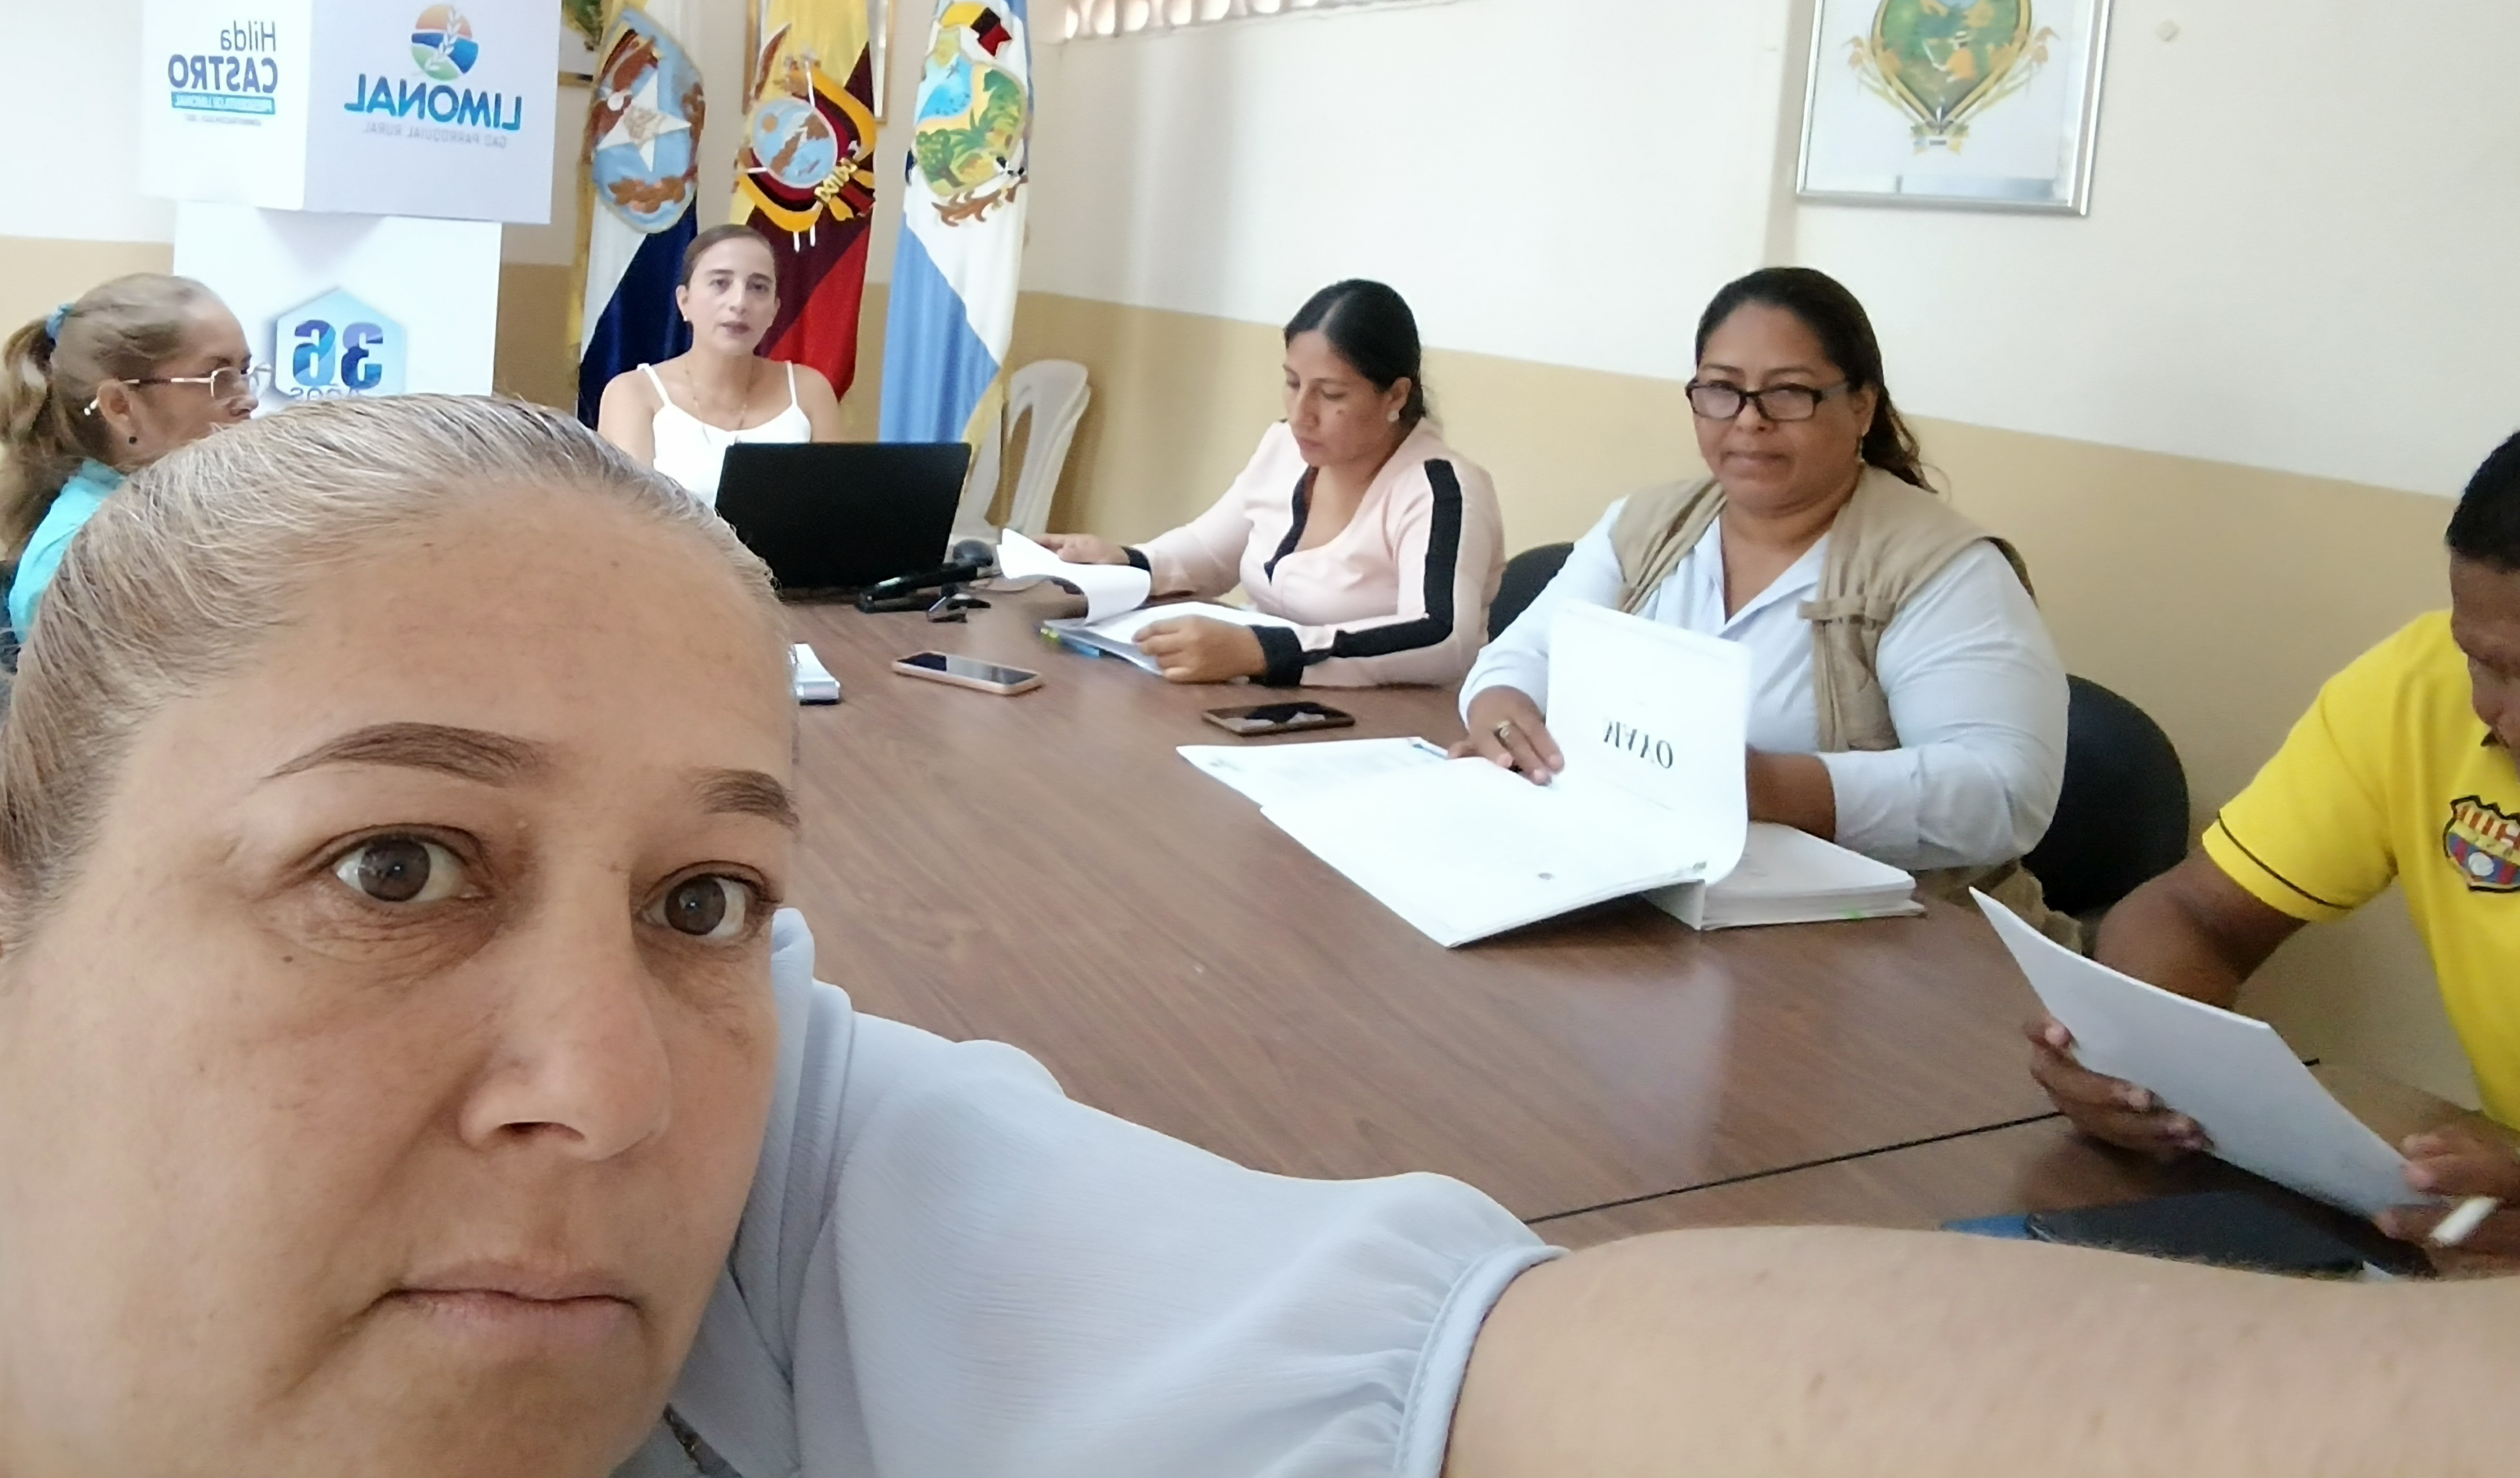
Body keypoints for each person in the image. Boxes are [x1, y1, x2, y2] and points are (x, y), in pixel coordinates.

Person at [0, 394, 2520, 1478]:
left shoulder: (769, 1162)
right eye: (393, 863)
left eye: (708, 896)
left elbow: (1496, 1382)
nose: (611, 1077)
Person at [2029, 429, 2520, 1257]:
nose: (2500, 715)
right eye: (2487, 664)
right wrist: (2142, 1063)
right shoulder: (2416, 689)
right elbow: (2195, 911)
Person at [1456, 268, 2066, 893]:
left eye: (1789, 393)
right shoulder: (1645, 526)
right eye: (1722, 390)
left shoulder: (1941, 568)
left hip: (1882, 929)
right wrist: (1503, 711)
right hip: (1646, 884)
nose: (1749, 420)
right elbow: (1526, 653)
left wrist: (1767, 786)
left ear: (1862, 406)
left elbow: (2007, 790)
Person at [1043, 280, 1503, 687]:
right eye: (1293, 384)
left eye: (1331, 394)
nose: (1302, 414)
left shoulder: (1442, 490)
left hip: (1386, 722)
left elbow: (1442, 636)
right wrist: (1125, 562)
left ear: (1396, 395)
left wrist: (1263, 652)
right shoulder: (1284, 446)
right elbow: (1209, 553)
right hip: (1270, 703)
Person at [0, 274, 256, 640]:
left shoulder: (195, 515)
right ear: (120, 406)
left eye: (243, 372)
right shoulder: (77, 557)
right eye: (216, 377)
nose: (248, 399)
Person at [595, 223, 845, 504]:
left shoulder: (810, 390)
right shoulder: (633, 393)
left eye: (758, 287)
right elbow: (625, 517)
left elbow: (836, 508)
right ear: (685, 302)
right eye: (720, 283)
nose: (740, 303)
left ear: (774, 310)